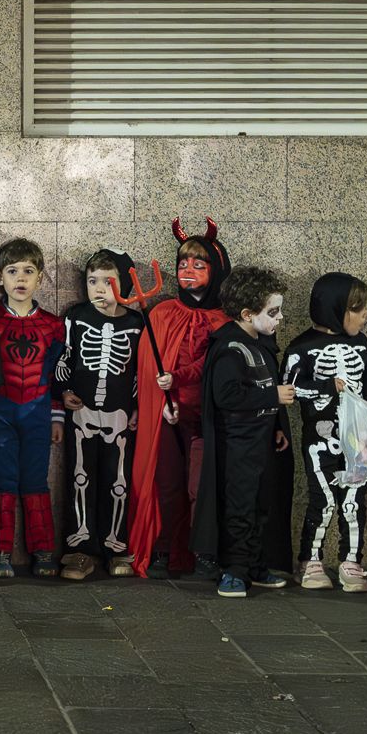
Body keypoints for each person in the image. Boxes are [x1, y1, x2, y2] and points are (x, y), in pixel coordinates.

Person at [284, 273, 367, 594]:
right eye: (358, 308)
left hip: (357, 437)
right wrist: (324, 386)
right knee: (322, 501)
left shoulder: (361, 343)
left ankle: (351, 560)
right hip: (320, 438)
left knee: (353, 503)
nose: (366, 314)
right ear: (334, 308)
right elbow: (288, 390)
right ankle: (310, 561)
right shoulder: (303, 347)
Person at [130, 217, 233, 579]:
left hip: (204, 418)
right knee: (167, 483)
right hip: (166, 418)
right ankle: (163, 548)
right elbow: (147, 366)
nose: (187, 271)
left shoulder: (224, 321)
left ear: (216, 269)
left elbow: (215, 365)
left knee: (199, 486)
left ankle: (202, 550)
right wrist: (160, 399)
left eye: (198, 265)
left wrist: (178, 378)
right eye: (182, 264)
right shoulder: (162, 313)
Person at [193, 266, 296, 598]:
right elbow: (227, 396)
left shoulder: (261, 343)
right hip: (237, 445)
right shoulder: (229, 347)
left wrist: (277, 425)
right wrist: (273, 397)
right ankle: (234, 570)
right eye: (273, 312)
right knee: (239, 508)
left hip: (260, 441)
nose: (280, 318)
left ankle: (253, 564)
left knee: (259, 506)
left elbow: (265, 382)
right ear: (248, 313)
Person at [0, 237, 64, 578]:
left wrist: (57, 414)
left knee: (35, 481)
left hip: (39, 412)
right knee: (3, 480)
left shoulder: (53, 325)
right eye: (13, 272)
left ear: (40, 278)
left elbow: (58, 375)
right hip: (0, 411)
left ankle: (42, 550)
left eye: (29, 271)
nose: (21, 279)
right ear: (0, 277)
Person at [56, 250, 145, 580]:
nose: (99, 288)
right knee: (80, 476)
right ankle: (80, 548)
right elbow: (64, 359)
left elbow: (139, 370)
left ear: (124, 284)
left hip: (120, 414)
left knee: (118, 479)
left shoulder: (136, 324)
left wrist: (138, 406)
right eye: (92, 281)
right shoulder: (76, 317)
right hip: (82, 413)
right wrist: (63, 392)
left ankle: (116, 546)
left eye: (108, 282)